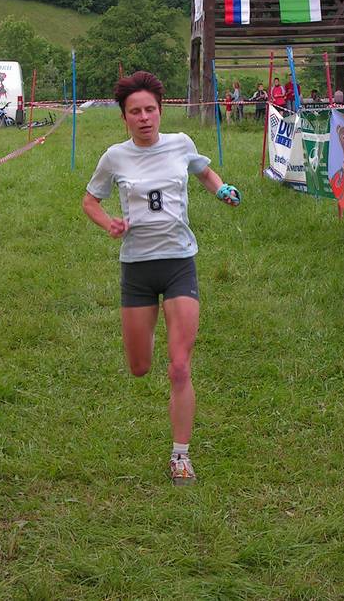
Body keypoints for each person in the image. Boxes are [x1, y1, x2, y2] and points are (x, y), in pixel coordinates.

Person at [81, 71, 241, 486]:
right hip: (137, 268)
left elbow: (204, 172)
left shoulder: (181, 143)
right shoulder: (114, 157)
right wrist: (108, 223)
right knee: (139, 367)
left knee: (179, 367)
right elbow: (89, 201)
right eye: (135, 112)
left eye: (150, 110)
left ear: (160, 111)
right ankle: (148, 327)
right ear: (124, 117)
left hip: (179, 262)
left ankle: (180, 456)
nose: (144, 118)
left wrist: (221, 190)